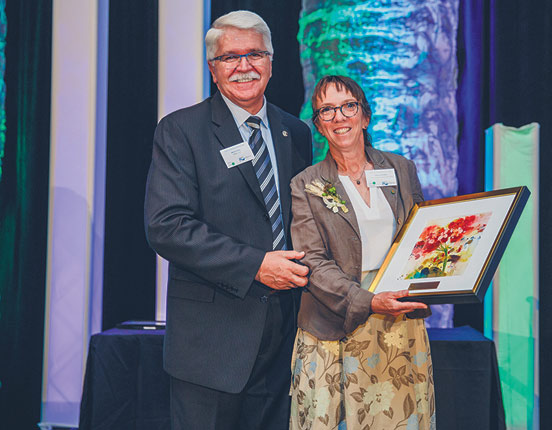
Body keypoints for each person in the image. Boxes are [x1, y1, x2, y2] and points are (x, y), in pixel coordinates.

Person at [144, 10, 312, 430]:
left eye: (255, 53)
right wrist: (257, 264)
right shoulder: (181, 130)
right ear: (213, 69)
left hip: (286, 336)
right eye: (230, 57)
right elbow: (166, 224)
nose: (244, 66)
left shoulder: (297, 132)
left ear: (271, 62)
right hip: (212, 345)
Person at [289, 75, 436, 429]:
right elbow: (313, 263)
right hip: (332, 323)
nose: (339, 117)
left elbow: (421, 239)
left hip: (397, 323)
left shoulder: (401, 169)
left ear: (365, 116)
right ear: (319, 125)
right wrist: (368, 301)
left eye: (348, 106)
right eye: (327, 110)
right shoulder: (306, 183)